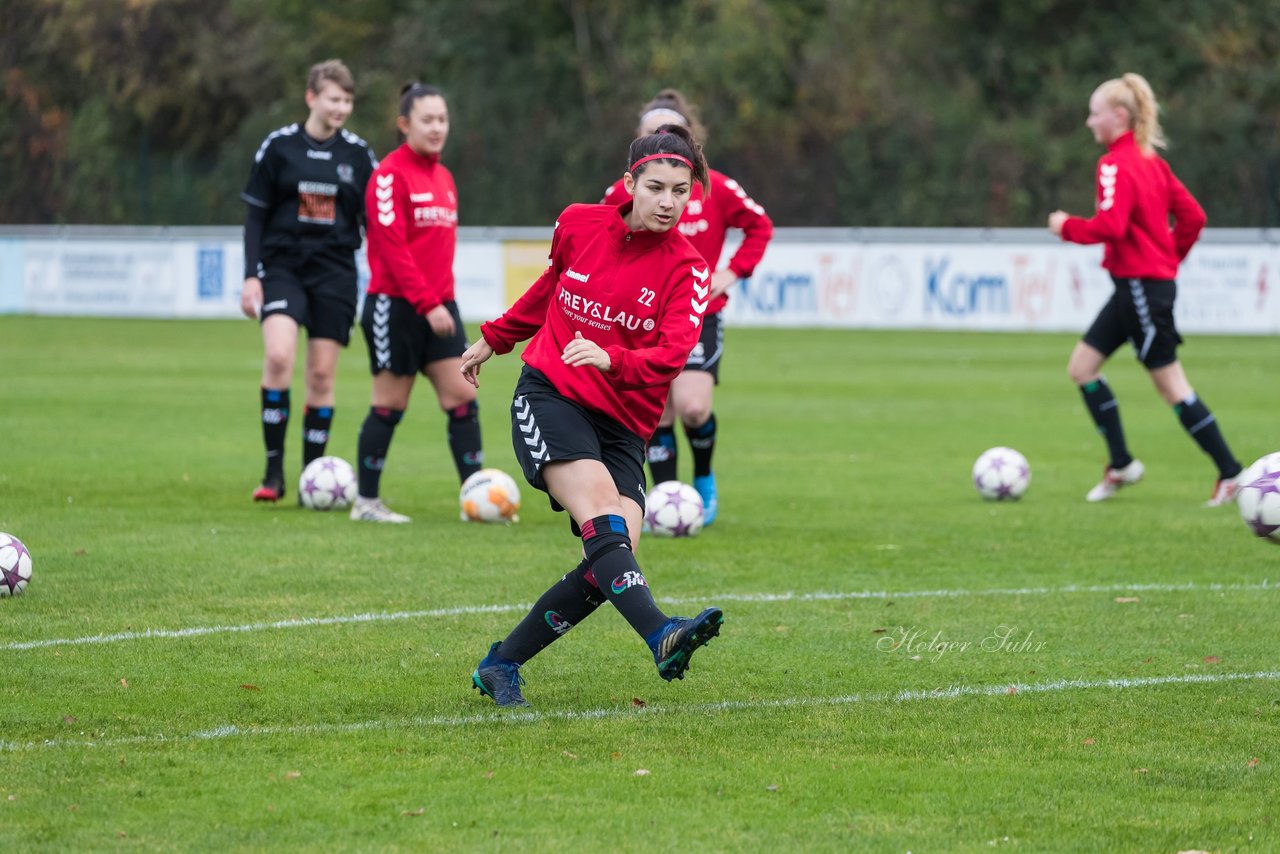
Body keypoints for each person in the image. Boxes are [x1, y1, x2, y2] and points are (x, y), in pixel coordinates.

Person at [459, 124, 724, 707]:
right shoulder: (578, 223)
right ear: (629, 183)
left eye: (681, 191)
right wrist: (495, 339)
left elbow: (672, 356)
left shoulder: (689, 266)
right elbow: (552, 286)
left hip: (624, 424)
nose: (668, 202)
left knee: (612, 557)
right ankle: (661, 634)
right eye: (656, 187)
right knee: (603, 514)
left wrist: (614, 358)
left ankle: (501, 663)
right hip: (550, 395)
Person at [1049, 73, 1243, 506]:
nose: (1088, 122)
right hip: (1134, 288)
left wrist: (1066, 227)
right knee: (1082, 367)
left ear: (1119, 116)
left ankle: (1231, 473)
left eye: (1094, 113)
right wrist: (1167, 259)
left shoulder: (1115, 164)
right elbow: (1193, 217)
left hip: (1141, 290)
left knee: (1172, 386)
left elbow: (1112, 226)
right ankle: (1121, 464)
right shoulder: (1153, 163)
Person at [602, 89, 773, 525]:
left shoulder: (716, 187)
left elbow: (760, 227)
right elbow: (602, 247)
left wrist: (730, 273)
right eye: (652, 133)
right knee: (657, 407)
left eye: (672, 132)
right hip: (642, 317)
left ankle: (702, 477)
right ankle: (664, 498)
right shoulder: (618, 196)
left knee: (694, 406)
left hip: (700, 313)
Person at [240, 59, 377, 503]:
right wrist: (250, 276)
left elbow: (375, 222)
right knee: (279, 357)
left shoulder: (358, 154)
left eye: (347, 100)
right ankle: (273, 472)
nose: (341, 108)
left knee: (321, 374)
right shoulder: (278, 147)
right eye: (334, 98)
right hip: (282, 267)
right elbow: (255, 215)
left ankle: (310, 480)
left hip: (335, 271)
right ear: (311, 97)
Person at [350, 83, 483, 523]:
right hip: (398, 306)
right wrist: (427, 304)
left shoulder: (444, 177)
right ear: (404, 124)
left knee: (463, 397)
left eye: (442, 119)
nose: (437, 127)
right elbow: (392, 248)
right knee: (390, 404)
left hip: (441, 307)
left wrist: (440, 302)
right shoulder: (388, 176)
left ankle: (478, 498)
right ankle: (366, 503)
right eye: (427, 120)